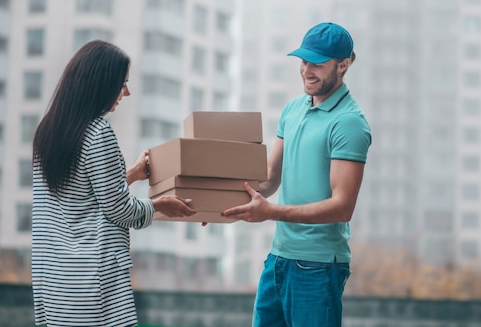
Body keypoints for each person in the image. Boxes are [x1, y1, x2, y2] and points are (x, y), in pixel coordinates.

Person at [31, 40, 196, 327]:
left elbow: (78, 196)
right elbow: (118, 209)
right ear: (101, 84)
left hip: (54, 284)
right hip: (91, 286)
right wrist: (160, 206)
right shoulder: (98, 132)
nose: (127, 92)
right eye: (122, 84)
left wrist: (130, 175)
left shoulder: (48, 130)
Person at [222, 22, 372, 327]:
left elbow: (343, 207)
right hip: (278, 259)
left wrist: (270, 212)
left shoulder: (349, 123)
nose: (306, 70)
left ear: (343, 65)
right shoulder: (292, 110)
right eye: (304, 61)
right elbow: (268, 177)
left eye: (317, 63)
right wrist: (216, 202)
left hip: (318, 267)